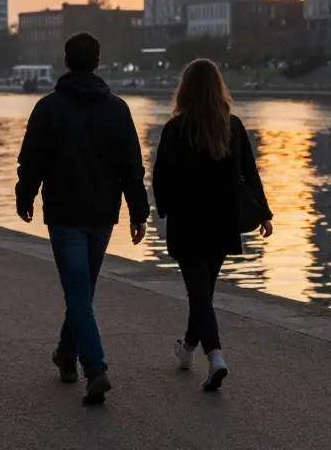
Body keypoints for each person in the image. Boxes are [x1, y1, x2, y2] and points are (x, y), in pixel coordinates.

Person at [15, 32, 149, 404]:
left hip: (63, 213)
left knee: (78, 294)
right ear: (98, 63)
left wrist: (25, 195)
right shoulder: (118, 110)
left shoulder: (48, 108)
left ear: (65, 62)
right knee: (82, 292)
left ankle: (95, 369)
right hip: (102, 214)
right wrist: (139, 212)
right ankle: (65, 355)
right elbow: (131, 168)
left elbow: (32, 159)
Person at [152, 58, 273, 391]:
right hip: (222, 223)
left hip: (188, 222)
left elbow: (161, 179)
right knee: (203, 292)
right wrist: (264, 213)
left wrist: (162, 211)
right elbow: (249, 173)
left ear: (185, 88)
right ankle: (187, 350)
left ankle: (216, 356)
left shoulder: (176, 129)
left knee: (200, 293)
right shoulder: (231, 126)